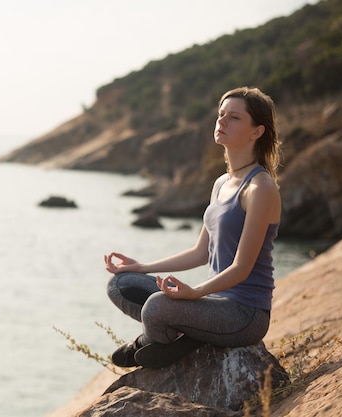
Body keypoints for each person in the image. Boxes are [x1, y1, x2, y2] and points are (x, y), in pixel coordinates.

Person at [104, 86, 282, 369]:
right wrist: (140, 267)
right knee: (121, 284)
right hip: (213, 304)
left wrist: (194, 293)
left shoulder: (260, 188)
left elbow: (241, 268)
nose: (222, 121)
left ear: (256, 131)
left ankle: (148, 342)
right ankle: (186, 335)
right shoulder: (221, 183)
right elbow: (201, 253)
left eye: (234, 117)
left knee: (157, 307)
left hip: (244, 315)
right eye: (221, 114)